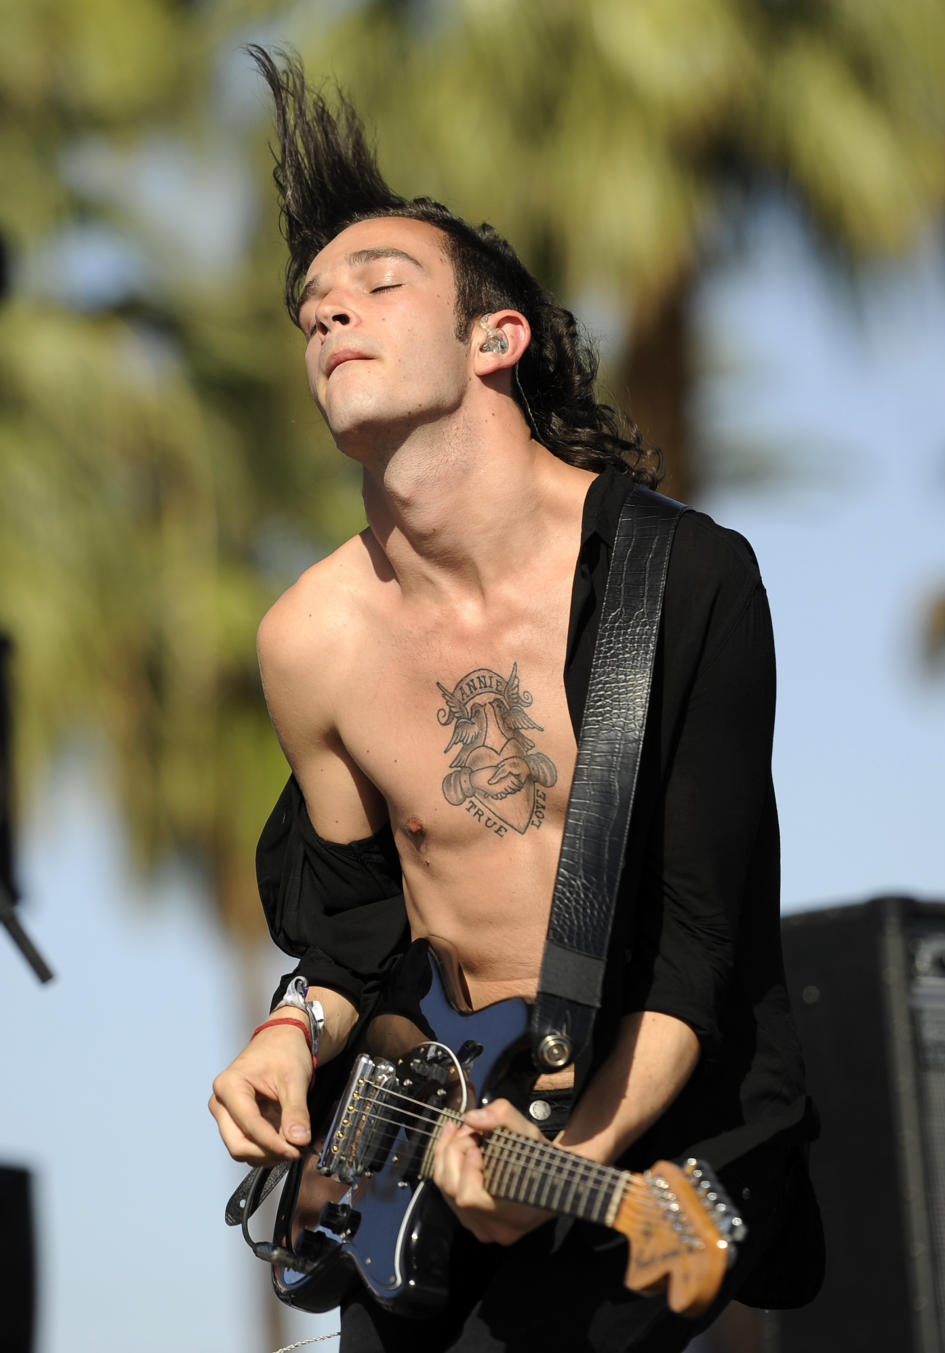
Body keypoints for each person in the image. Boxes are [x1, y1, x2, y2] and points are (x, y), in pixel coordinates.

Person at [210, 47, 823, 1353]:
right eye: (311, 306)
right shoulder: (310, 638)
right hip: (420, 1144)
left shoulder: (685, 581)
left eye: (378, 285)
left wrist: (570, 1146)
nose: (329, 315)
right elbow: (353, 943)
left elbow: (701, 948)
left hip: (638, 1126)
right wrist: (284, 1032)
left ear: (495, 339)